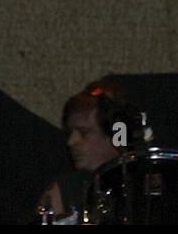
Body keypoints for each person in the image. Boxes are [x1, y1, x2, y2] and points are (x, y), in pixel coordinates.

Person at [37, 79, 149, 221]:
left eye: (84, 132)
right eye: (70, 132)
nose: (71, 142)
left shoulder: (146, 185)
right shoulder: (64, 190)